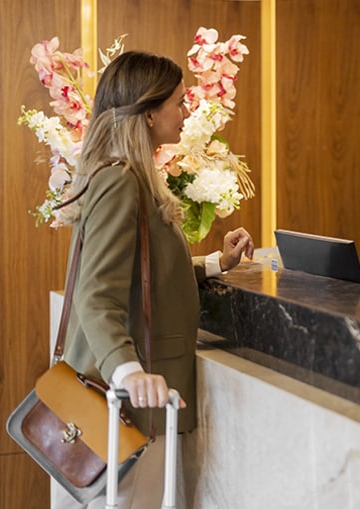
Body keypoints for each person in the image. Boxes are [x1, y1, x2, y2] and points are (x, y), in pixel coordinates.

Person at [55, 51, 254, 508]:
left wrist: (214, 264)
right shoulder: (120, 180)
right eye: (179, 103)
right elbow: (97, 293)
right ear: (148, 113)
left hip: (141, 401)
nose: (187, 113)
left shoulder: (136, 178)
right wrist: (129, 372)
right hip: (127, 404)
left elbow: (145, 274)